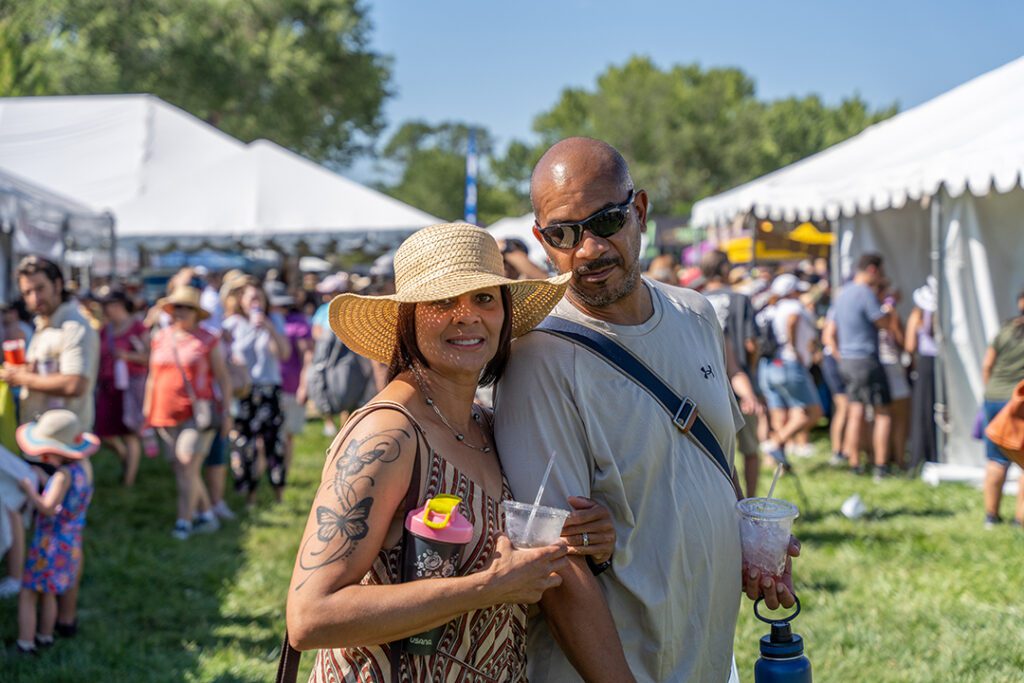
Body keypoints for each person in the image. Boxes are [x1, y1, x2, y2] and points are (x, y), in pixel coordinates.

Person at [494, 138, 797, 682]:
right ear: (543, 242)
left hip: (706, 654)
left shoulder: (696, 314)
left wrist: (744, 539)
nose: (588, 250)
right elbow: (557, 561)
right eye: (564, 233)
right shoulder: (537, 354)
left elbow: (712, 462)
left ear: (639, 211)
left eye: (606, 221)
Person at [286, 222, 616, 681]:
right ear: (409, 318)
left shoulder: (487, 424)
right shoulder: (388, 435)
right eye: (442, 302)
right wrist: (488, 588)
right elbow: (310, 617)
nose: (466, 316)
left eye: (484, 298)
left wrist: (585, 536)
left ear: (503, 313)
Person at [0, 255, 99, 634]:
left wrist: (21, 375)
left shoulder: (74, 325)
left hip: (66, 450)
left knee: (66, 538)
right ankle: (52, 618)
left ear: (58, 284)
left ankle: (65, 620)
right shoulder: (45, 326)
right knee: (56, 535)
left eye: (40, 288)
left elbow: (75, 383)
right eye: (27, 292)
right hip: (47, 448)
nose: (34, 297)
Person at [144, 286, 233, 540]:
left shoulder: (208, 339)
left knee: (186, 464)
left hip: (198, 414)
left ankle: (184, 521)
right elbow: (152, 376)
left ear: (196, 313)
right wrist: (146, 410)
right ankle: (206, 514)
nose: (180, 312)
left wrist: (227, 412)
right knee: (182, 468)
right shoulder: (160, 337)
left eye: (186, 308)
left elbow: (223, 378)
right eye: (177, 308)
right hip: (164, 413)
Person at [15, 410, 98, 654]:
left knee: (29, 592)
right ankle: (46, 636)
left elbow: (49, 508)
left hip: (49, 542)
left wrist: (30, 490)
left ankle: (25, 644)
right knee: (49, 592)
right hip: (70, 540)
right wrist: (43, 478)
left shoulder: (62, 477)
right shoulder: (83, 468)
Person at [702, 249, 763, 497]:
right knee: (749, 449)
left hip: (708, 385)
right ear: (725, 268)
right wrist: (754, 368)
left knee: (719, 454)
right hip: (740, 380)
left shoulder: (696, 300)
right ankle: (751, 500)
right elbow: (751, 343)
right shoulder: (740, 299)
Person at [228, 283, 290, 504]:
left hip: (270, 389)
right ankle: (250, 494)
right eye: (251, 298)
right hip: (245, 391)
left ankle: (279, 493)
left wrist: (269, 329)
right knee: (246, 444)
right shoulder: (232, 325)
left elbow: (284, 353)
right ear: (241, 300)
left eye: (259, 298)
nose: (256, 302)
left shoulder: (273, 321)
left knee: (275, 443)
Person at [832, 253, 894, 476]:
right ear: (873, 270)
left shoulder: (841, 294)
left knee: (855, 410)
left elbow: (832, 329)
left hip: (847, 359)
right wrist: (888, 303)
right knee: (882, 413)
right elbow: (883, 323)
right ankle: (881, 465)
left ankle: (855, 463)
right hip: (866, 359)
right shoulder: (865, 293)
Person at [757, 274, 823, 466]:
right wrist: (794, 347)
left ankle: (777, 462)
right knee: (813, 412)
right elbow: (793, 320)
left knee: (779, 415)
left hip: (768, 365)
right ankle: (775, 443)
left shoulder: (769, 309)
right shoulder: (793, 307)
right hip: (788, 363)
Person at [980, 288, 1024, 529]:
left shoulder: (1006, 329)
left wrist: (989, 392)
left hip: (994, 397)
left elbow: (987, 364)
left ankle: (991, 517)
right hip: (1019, 403)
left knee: (995, 459)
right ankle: (1020, 521)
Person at [95, 289, 149, 486]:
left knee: (130, 432)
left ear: (117, 305)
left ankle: (128, 480)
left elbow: (149, 358)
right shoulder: (104, 330)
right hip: (108, 386)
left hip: (131, 386)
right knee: (103, 433)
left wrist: (127, 357)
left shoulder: (138, 328)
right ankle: (126, 458)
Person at [266, 281, 314, 479]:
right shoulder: (263, 321)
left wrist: (304, 385)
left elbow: (308, 356)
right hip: (268, 387)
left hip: (291, 387)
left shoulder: (298, 323)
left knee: (286, 435)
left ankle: (282, 475)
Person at [905, 277, 939, 467]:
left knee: (922, 411)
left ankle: (920, 456)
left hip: (925, 362)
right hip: (936, 363)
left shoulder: (918, 315)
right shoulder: (933, 315)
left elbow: (910, 345)